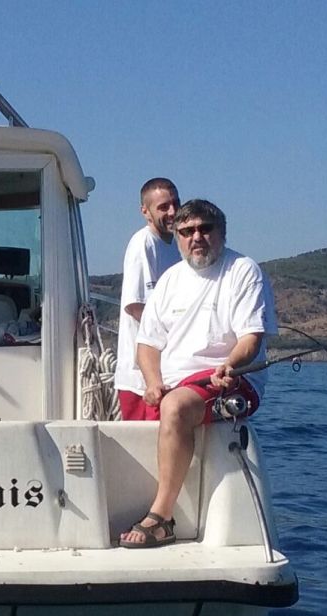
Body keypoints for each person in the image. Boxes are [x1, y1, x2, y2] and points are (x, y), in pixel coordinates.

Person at [120, 199, 271, 548]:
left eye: (205, 229)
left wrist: (230, 365)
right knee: (148, 412)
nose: (196, 237)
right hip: (175, 383)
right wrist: (153, 382)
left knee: (174, 407)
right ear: (178, 237)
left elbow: (251, 338)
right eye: (187, 232)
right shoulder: (170, 280)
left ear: (222, 232)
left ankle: (162, 518)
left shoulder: (243, 271)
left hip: (231, 378)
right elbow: (147, 345)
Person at [115, 178, 181, 420]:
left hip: (168, 373)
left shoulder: (176, 247)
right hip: (141, 381)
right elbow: (136, 306)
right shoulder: (143, 244)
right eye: (163, 207)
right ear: (145, 211)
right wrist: (179, 338)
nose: (172, 212)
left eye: (176, 204)